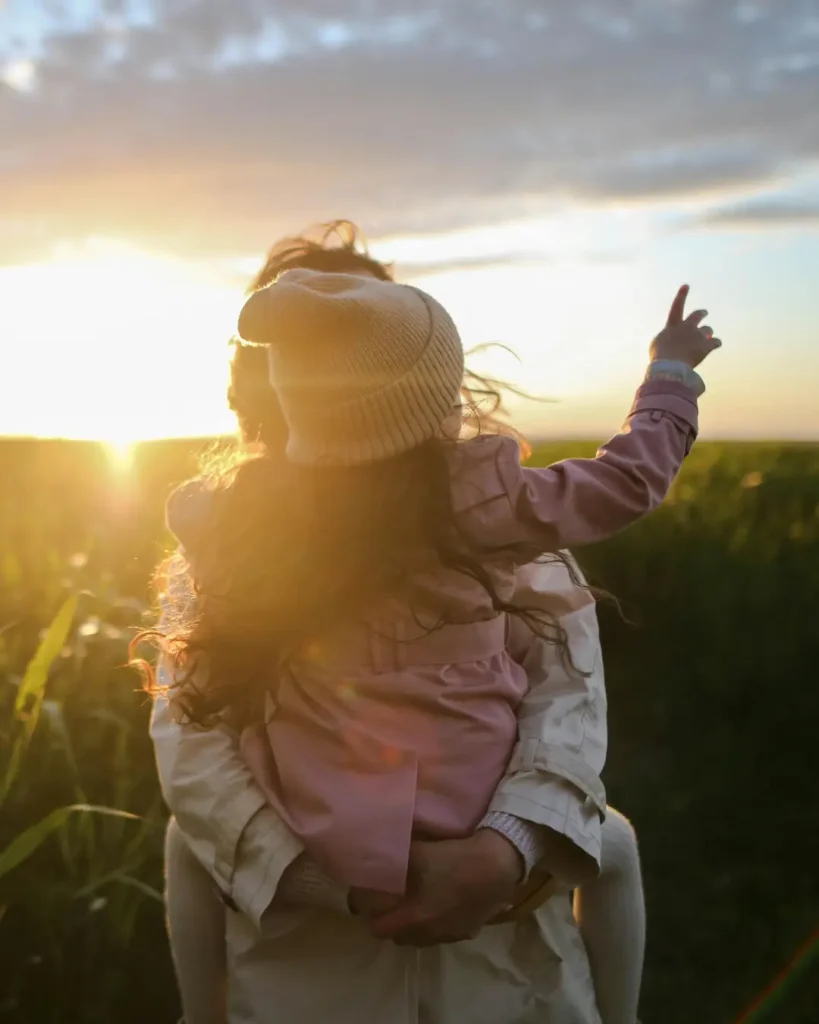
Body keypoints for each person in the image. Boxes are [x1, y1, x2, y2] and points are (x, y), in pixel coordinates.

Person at [146, 222, 717, 1023]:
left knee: (608, 840)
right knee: (185, 840)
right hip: (302, 966)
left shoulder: (238, 528)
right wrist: (325, 881)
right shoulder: (488, 511)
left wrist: (504, 849)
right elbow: (192, 739)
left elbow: (566, 698)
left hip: (509, 962)